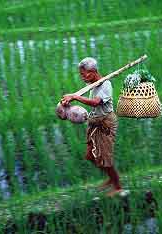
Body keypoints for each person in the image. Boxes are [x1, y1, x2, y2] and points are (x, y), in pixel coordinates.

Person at [61, 57, 123, 197]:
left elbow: (96, 102)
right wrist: (68, 107)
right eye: (81, 74)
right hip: (94, 121)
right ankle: (110, 178)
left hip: (106, 123)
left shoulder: (105, 84)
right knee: (90, 156)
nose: (82, 77)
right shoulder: (94, 84)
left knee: (104, 158)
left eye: (84, 74)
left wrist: (75, 97)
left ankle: (118, 186)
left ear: (94, 71)